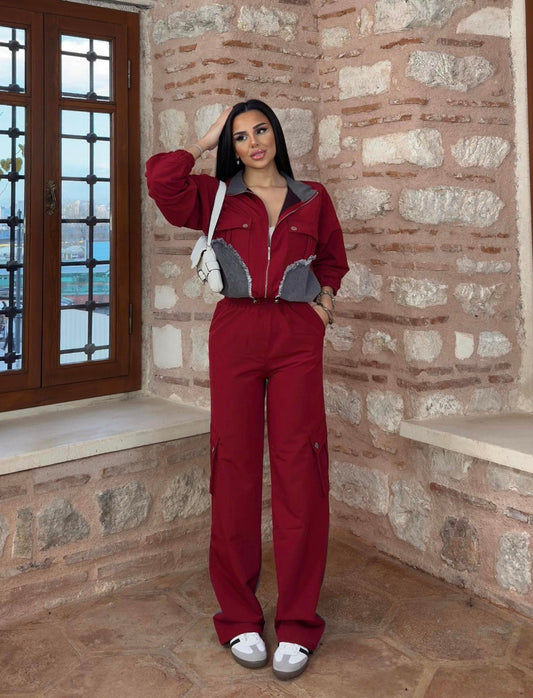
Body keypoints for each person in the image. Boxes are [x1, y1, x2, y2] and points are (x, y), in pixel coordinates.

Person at [146, 100, 348, 680]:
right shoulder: (214, 197)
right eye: (239, 136)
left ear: (276, 135)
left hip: (296, 335)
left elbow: (333, 259)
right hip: (235, 331)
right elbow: (160, 180)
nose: (253, 142)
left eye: (260, 130)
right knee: (233, 467)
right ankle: (238, 617)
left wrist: (323, 307)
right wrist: (204, 138)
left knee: (300, 469)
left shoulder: (312, 198)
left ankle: (298, 624)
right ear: (230, 147)